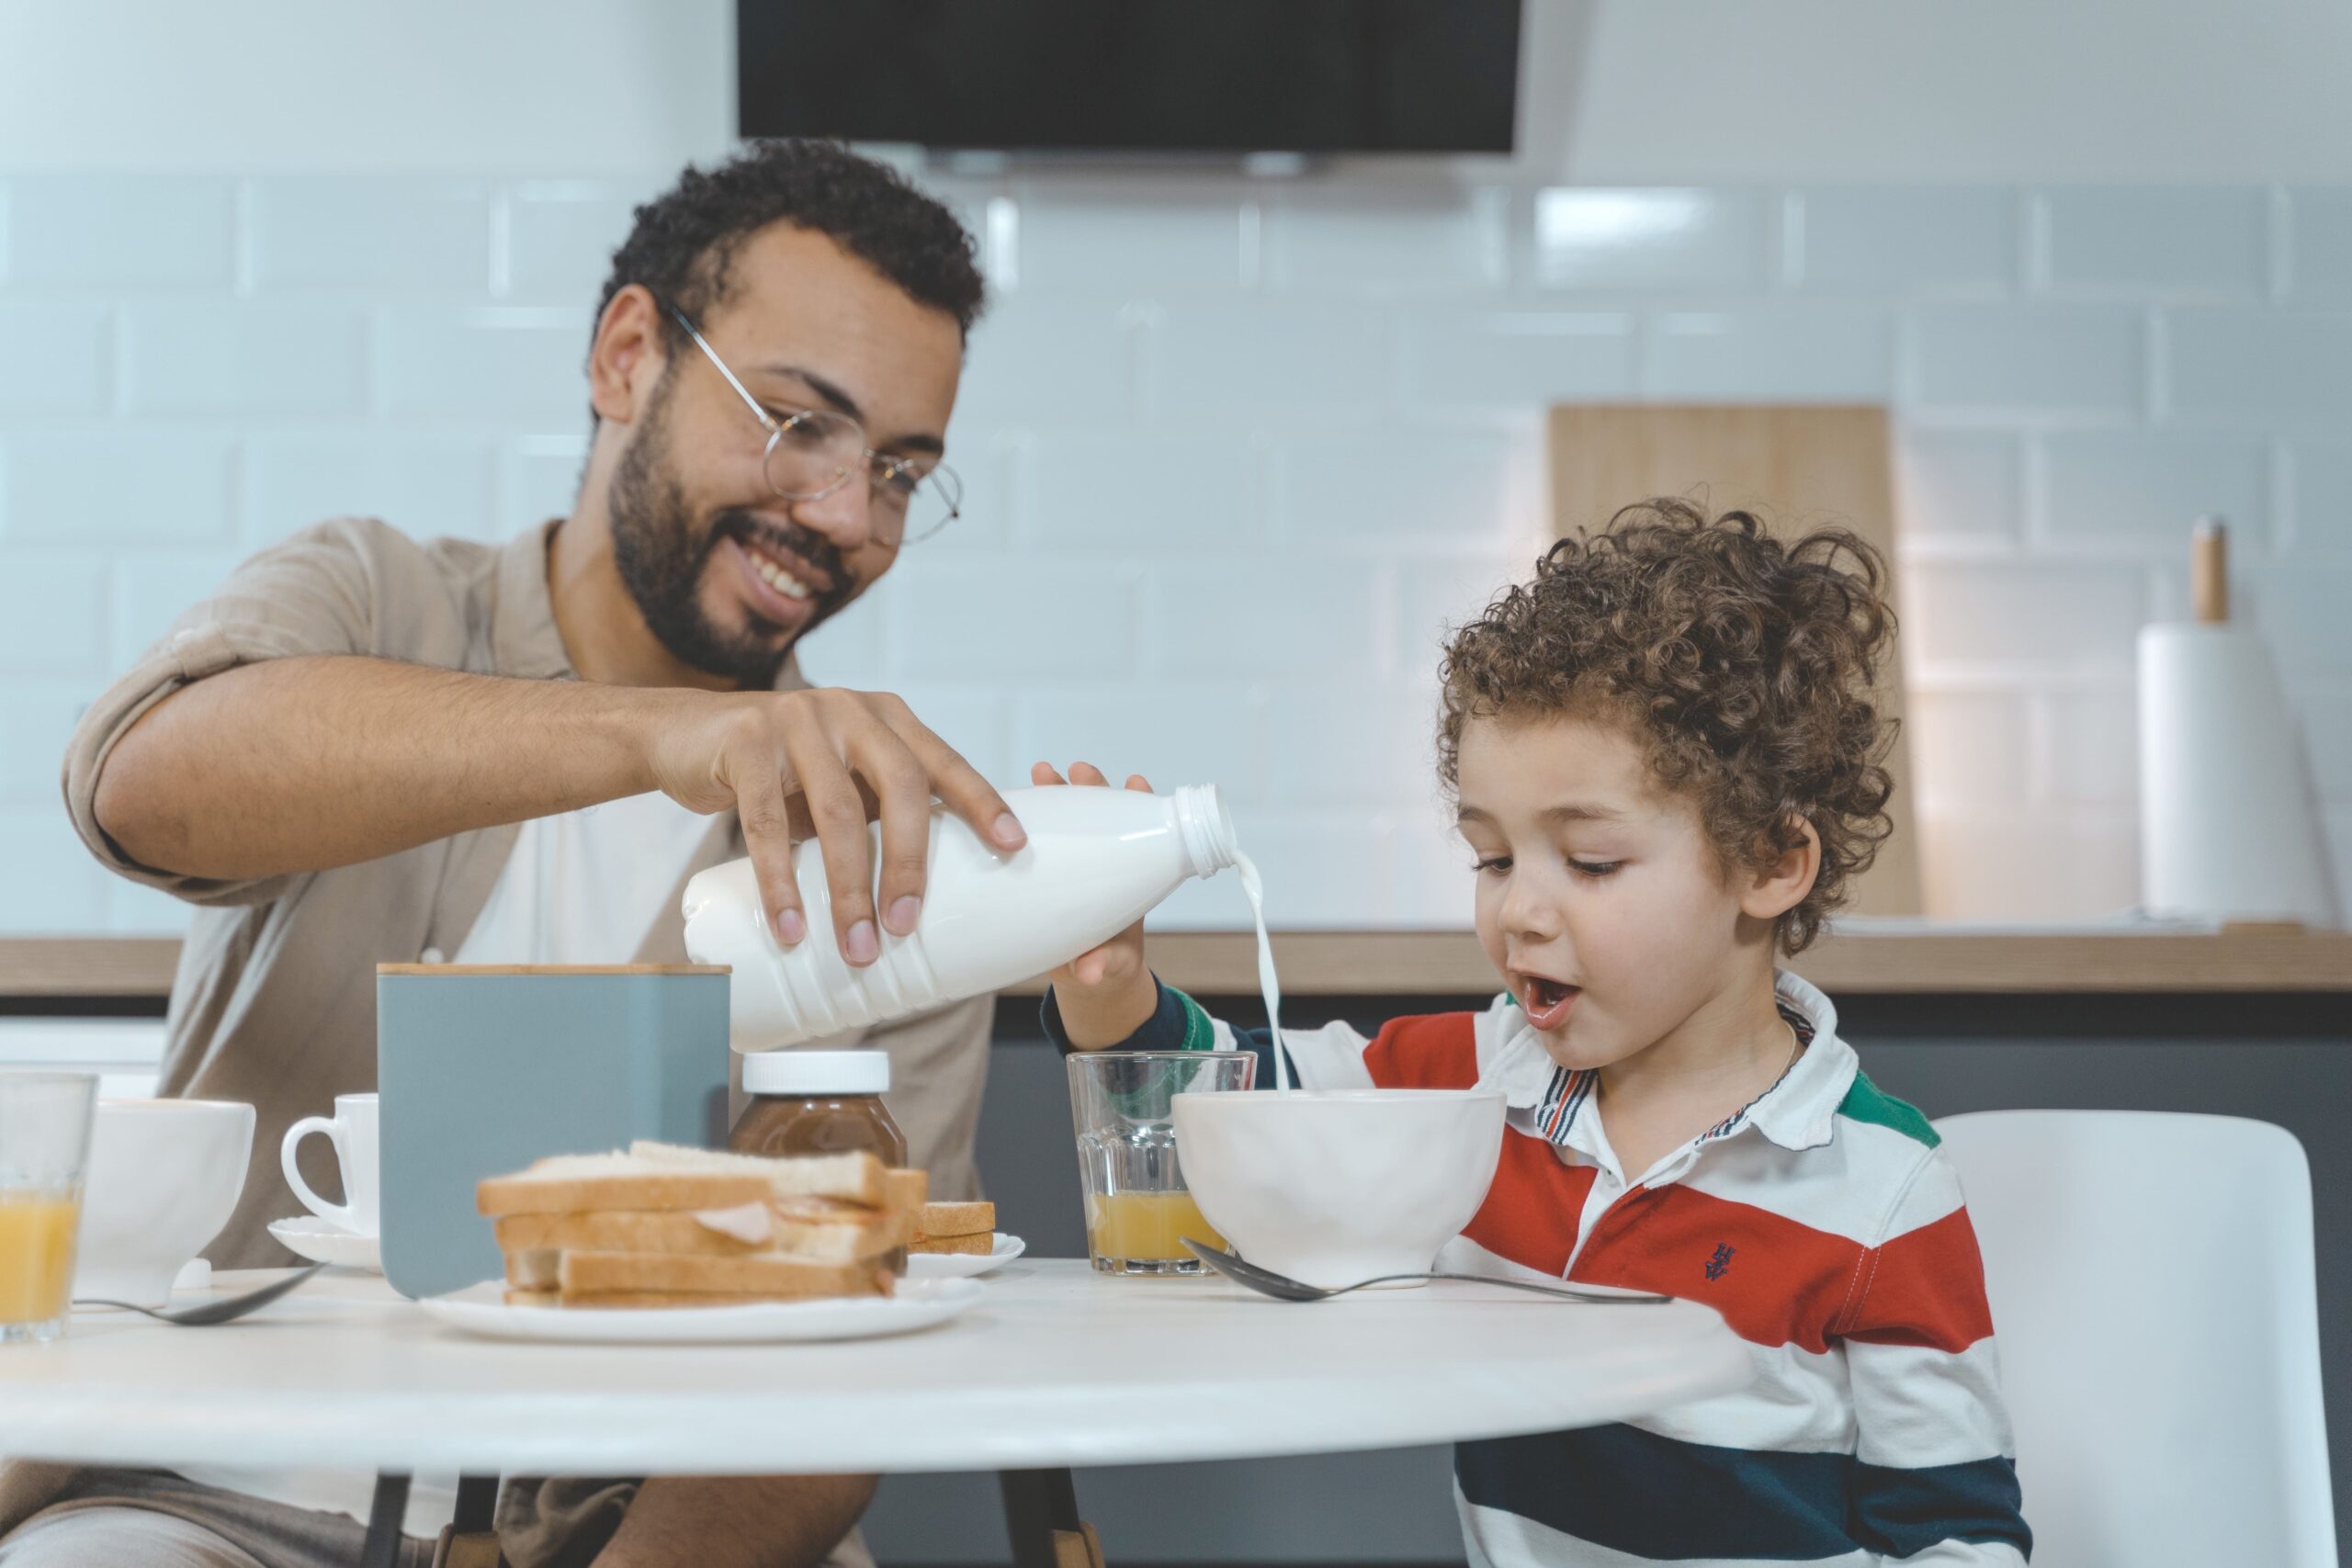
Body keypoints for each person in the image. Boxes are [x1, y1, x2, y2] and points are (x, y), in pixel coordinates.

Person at [1, 140, 1017, 1568]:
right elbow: (139, 787)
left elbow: (845, 1383)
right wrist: (644, 734)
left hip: (619, 1529)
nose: (847, 517)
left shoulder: (880, 834)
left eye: (900, 471)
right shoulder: (374, 597)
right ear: (625, 358)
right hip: (206, 1492)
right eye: (798, 423)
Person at [1042, 501, 2033, 1567]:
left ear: (1768, 865)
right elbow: (1235, 1096)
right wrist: (1110, 984)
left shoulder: (1883, 1195)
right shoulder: (1473, 1084)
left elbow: (1959, 1539)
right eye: (1493, 858)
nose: (1518, 911)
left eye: (1591, 862)